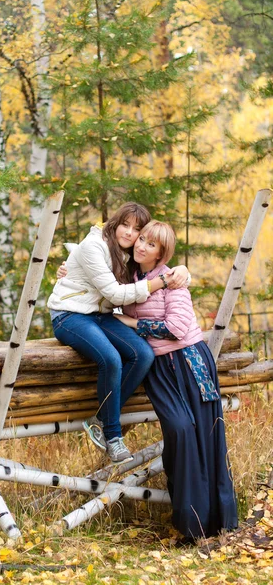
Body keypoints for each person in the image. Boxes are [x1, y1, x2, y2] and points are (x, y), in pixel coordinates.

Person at [115, 220, 238, 539]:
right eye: (141, 239)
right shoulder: (130, 277)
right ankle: (191, 521)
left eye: (151, 244)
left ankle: (215, 522)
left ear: (162, 252)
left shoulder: (172, 279)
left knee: (206, 437)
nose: (141, 246)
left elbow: (178, 328)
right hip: (159, 370)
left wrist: (131, 323)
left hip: (191, 363)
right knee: (180, 432)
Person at [47, 203, 189, 465]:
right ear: (114, 222)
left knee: (143, 354)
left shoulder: (127, 254)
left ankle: (100, 419)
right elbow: (115, 293)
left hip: (101, 316)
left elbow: (156, 265)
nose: (129, 233)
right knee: (111, 358)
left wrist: (182, 271)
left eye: (137, 229)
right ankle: (113, 437)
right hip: (70, 314)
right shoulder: (94, 246)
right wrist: (164, 281)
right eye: (125, 225)